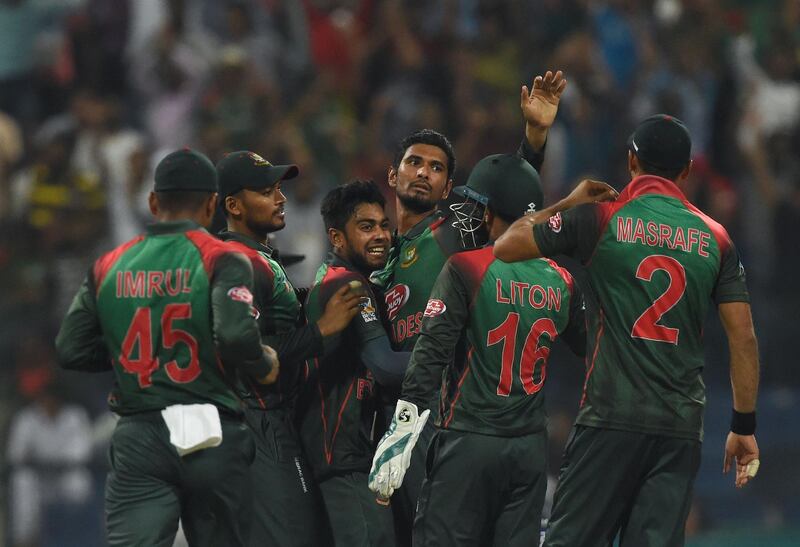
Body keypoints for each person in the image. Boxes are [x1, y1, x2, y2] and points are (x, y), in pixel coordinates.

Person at [493, 115, 761, 546]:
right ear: (687, 171)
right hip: (679, 428)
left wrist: (566, 203)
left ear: (631, 161)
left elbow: (505, 247)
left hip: (609, 417)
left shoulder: (599, 220)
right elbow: (743, 337)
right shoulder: (717, 238)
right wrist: (743, 426)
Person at [372, 70, 568, 535]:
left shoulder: (454, 231)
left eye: (436, 168)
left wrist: (534, 139)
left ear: (447, 190)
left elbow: (508, 194)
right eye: (414, 162)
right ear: (392, 173)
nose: (423, 171)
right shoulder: (381, 262)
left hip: (452, 414)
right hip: (408, 414)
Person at [55, 148, 279, 547]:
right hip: (206, 423)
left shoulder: (109, 264)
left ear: (153, 202)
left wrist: (134, 354)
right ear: (212, 205)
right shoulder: (222, 258)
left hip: (140, 429)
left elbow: (71, 348)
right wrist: (264, 363)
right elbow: (234, 335)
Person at [215, 150, 362, 546]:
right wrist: (322, 329)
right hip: (258, 421)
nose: (280, 198)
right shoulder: (237, 261)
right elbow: (244, 346)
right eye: (265, 191)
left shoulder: (254, 257)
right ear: (233, 205)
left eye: (279, 188)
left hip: (259, 421)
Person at [295, 180, 412, 546]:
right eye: (366, 227)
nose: (380, 235)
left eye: (383, 225)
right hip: (343, 459)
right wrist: (452, 352)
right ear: (337, 237)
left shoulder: (341, 280)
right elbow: (385, 366)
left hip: (345, 457)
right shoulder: (348, 286)